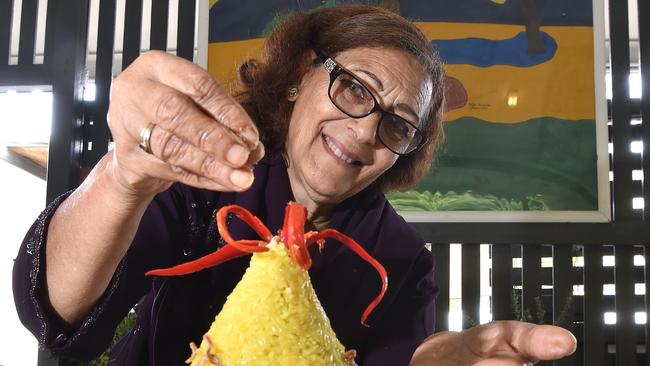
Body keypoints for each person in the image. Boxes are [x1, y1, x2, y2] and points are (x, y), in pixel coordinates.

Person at [13, 5, 576, 366]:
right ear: (301, 77)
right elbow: (59, 319)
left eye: (399, 125)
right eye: (355, 89)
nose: (363, 131)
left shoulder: (402, 257)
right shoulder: (198, 185)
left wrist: (432, 359)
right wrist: (124, 175)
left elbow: (402, 356)